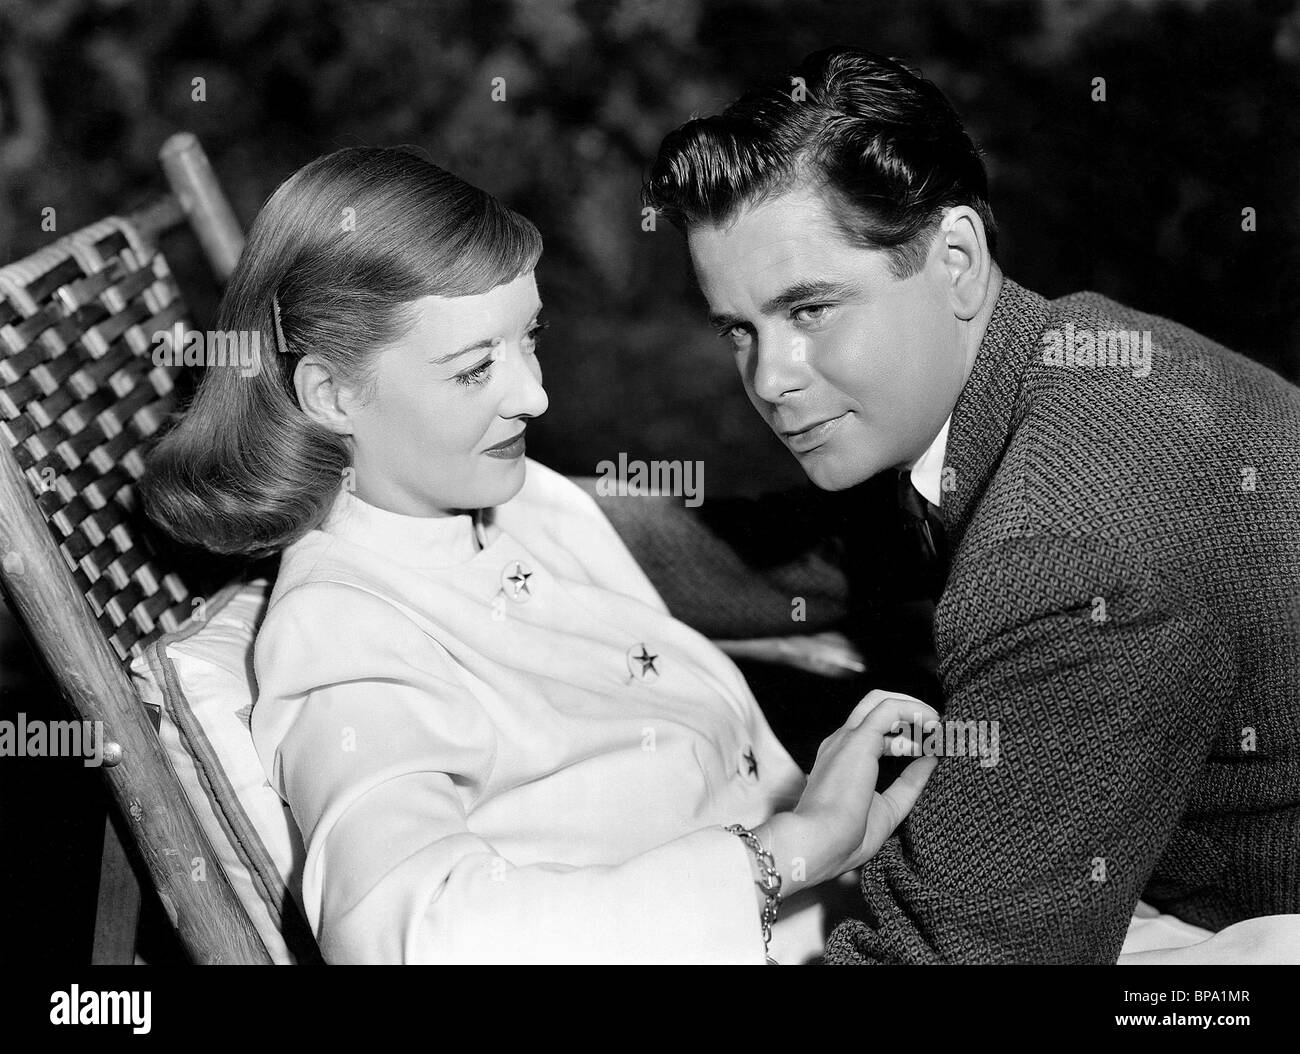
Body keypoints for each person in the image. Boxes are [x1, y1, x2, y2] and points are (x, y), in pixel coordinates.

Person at [139, 146, 941, 965]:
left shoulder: (500, 496)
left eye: (529, 338)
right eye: (474, 367)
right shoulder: (346, 637)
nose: (533, 395)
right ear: (331, 395)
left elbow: (749, 559)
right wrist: (785, 853)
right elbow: (410, 938)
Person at [638, 45, 1300, 964]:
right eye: (738, 330)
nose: (772, 378)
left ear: (955, 259)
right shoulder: (1051, 361)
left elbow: (956, 957)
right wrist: (493, 512)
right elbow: (800, 550)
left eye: (811, 310)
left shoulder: (1072, 540)